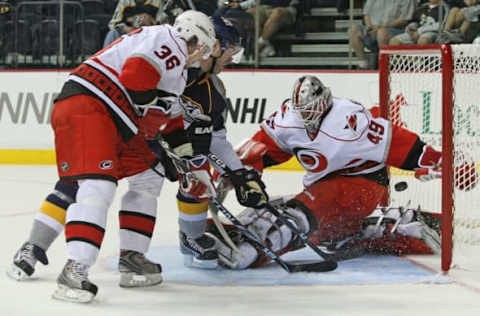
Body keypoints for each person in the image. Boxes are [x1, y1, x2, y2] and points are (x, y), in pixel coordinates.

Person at [7, 10, 217, 303]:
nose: (202, 57)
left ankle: (132, 257)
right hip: (91, 104)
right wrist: (153, 125)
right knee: (96, 185)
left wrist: (187, 161)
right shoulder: (170, 39)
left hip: (115, 118)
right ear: (193, 38)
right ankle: (74, 269)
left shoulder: (178, 69)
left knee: (149, 175)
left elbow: (167, 121)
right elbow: (136, 75)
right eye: (204, 49)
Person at [205, 75, 448, 269]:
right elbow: (264, 149)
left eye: (311, 109)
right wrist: (239, 171)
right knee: (315, 228)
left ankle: (252, 250)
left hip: (361, 183)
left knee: (297, 216)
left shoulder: (349, 117)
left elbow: (396, 141)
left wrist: (434, 161)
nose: (306, 117)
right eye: (302, 111)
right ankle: (389, 226)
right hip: (324, 185)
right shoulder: (287, 118)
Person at [173, 15, 268, 269]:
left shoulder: (215, 89)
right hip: (142, 138)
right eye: (231, 51)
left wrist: (239, 175)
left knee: (198, 175)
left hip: (176, 147)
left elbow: (216, 138)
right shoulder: (175, 69)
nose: (231, 59)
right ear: (214, 46)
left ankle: (190, 238)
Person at [350, 0, 416, 69]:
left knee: (381, 33)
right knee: (354, 30)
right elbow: (367, 14)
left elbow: (404, 20)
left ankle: (384, 65)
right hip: (373, 28)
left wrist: (382, 27)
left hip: (396, 29)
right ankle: (363, 64)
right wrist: (369, 26)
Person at [223, 0, 299, 57]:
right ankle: (265, 46)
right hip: (264, 8)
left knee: (278, 13)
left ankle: (259, 45)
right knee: (251, 12)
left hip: (286, 9)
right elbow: (254, 1)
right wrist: (240, 5)